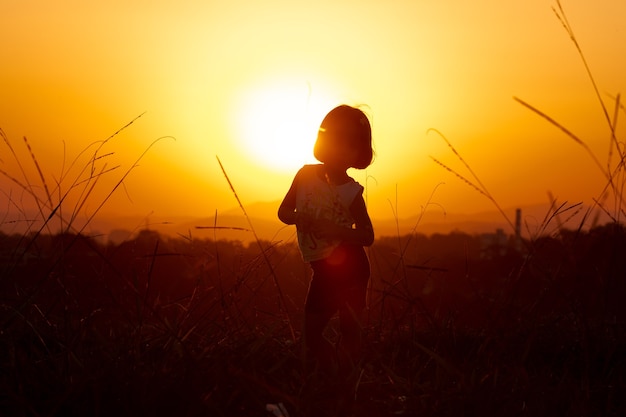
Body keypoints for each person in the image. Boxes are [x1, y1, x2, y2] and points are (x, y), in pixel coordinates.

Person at [278, 105, 374, 415]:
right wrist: (299, 217)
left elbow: (368, 236)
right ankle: (331, 380)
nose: (341, 149)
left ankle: (345, 390)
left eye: (351, 143)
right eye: (335, 139)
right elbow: (283, 212)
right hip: (322, 269)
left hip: (352, 268)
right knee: (311, 335)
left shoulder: (352, 193)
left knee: (350, 332)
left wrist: (338, 230)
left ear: (360, 152)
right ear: (323, 140)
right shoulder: (305, 176)